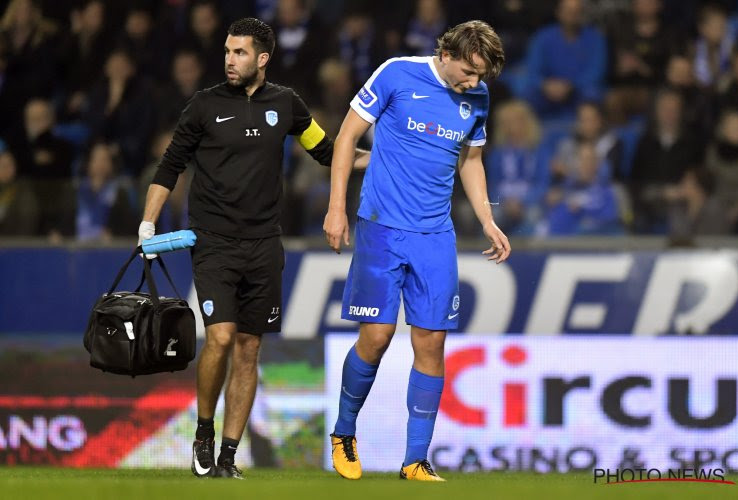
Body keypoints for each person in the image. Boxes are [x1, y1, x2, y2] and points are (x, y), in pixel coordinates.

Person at [139, 17, 368, 480]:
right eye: (227, 50)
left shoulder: (286, 105)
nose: (229, 58)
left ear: (262, 59)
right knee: (220, 337)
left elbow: (327, 152)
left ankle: (227, 456)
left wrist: (387, 156)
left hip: (264, 245)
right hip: (213, 244)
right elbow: (169, 167)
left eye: (240, 52)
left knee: (248, 349)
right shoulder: (203, 106)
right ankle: (203, 434)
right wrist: (147, 223)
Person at [323, 20, 510, 482]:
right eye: (468, 71)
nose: (474, 82)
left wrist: (488, 220)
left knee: (432, 341)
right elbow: (346, 138)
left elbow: (471, 160)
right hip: (382, 228)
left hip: (435, 236)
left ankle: (415, 460)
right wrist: (336, 208)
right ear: (446, 54)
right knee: (378, 336)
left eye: (481, 75)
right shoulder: (395, 73)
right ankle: (344, 432)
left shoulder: (478, 96)